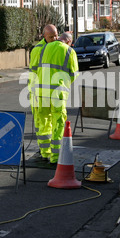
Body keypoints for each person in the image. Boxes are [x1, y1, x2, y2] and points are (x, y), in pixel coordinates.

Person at [34, 32, 79, 164]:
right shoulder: (69, 51)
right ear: (69, 42)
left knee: (44, 123)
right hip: (57, 93)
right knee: (58, 123)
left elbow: (37, 68)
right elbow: (74, 74)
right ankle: (55, 157)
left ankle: (44, 153)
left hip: (41, 92)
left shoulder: (45, 47)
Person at [28, 24, 58, 160]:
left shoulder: (58, 48)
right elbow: (33, 73)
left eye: (56, 35)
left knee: (52, 122)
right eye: (51, 36)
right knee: (43, 123)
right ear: (44, 36)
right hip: (39, 93)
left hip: (53, 92)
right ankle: (45, 151)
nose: (54, 38)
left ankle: (52, 151)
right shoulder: (38, 50)